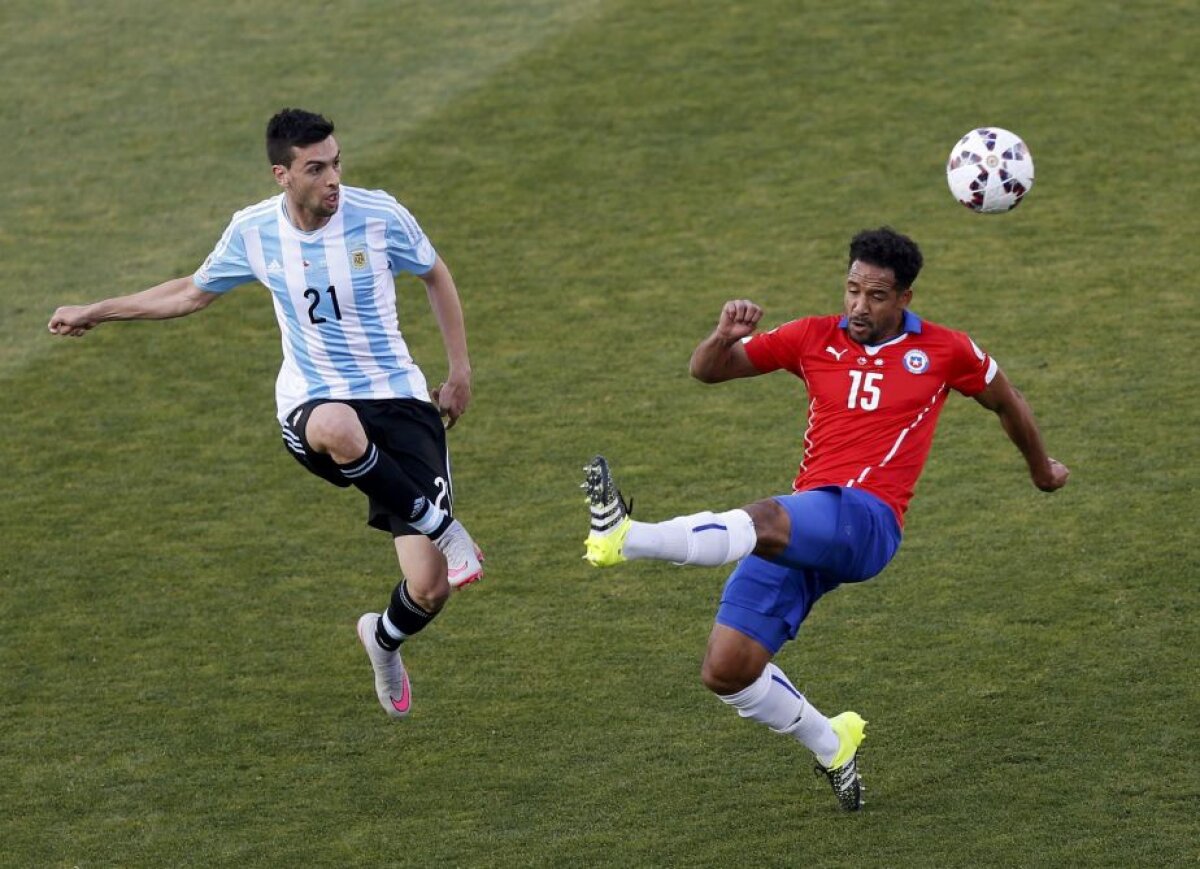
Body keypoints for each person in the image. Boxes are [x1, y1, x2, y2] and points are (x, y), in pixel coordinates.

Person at [582, 227, 1069, 810]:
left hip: (869, 520)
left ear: (905, 299)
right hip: (812, 521)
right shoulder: (813, 337)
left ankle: (625, 537)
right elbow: (708, 371)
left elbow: (1008, 401)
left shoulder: (947, 351)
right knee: (727, 670)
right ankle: (832, 740)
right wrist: (722, 337)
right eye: (852, 290)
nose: (860, 306)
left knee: (762, 520)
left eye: (877, 296)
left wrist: (1041, 470)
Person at [48, 108, 485, 721]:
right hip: (312, 403)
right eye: (316, 168)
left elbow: (435, 275)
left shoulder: (380, 215)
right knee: (338, 426)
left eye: (336, 162)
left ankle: (383, 641)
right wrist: (100, 308)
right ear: (283, 175)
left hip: (400, 399)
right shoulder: (253, 231)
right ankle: (445, 528)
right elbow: (191, 292)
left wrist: (460, 370)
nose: (333, 178)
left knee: (431, 587)